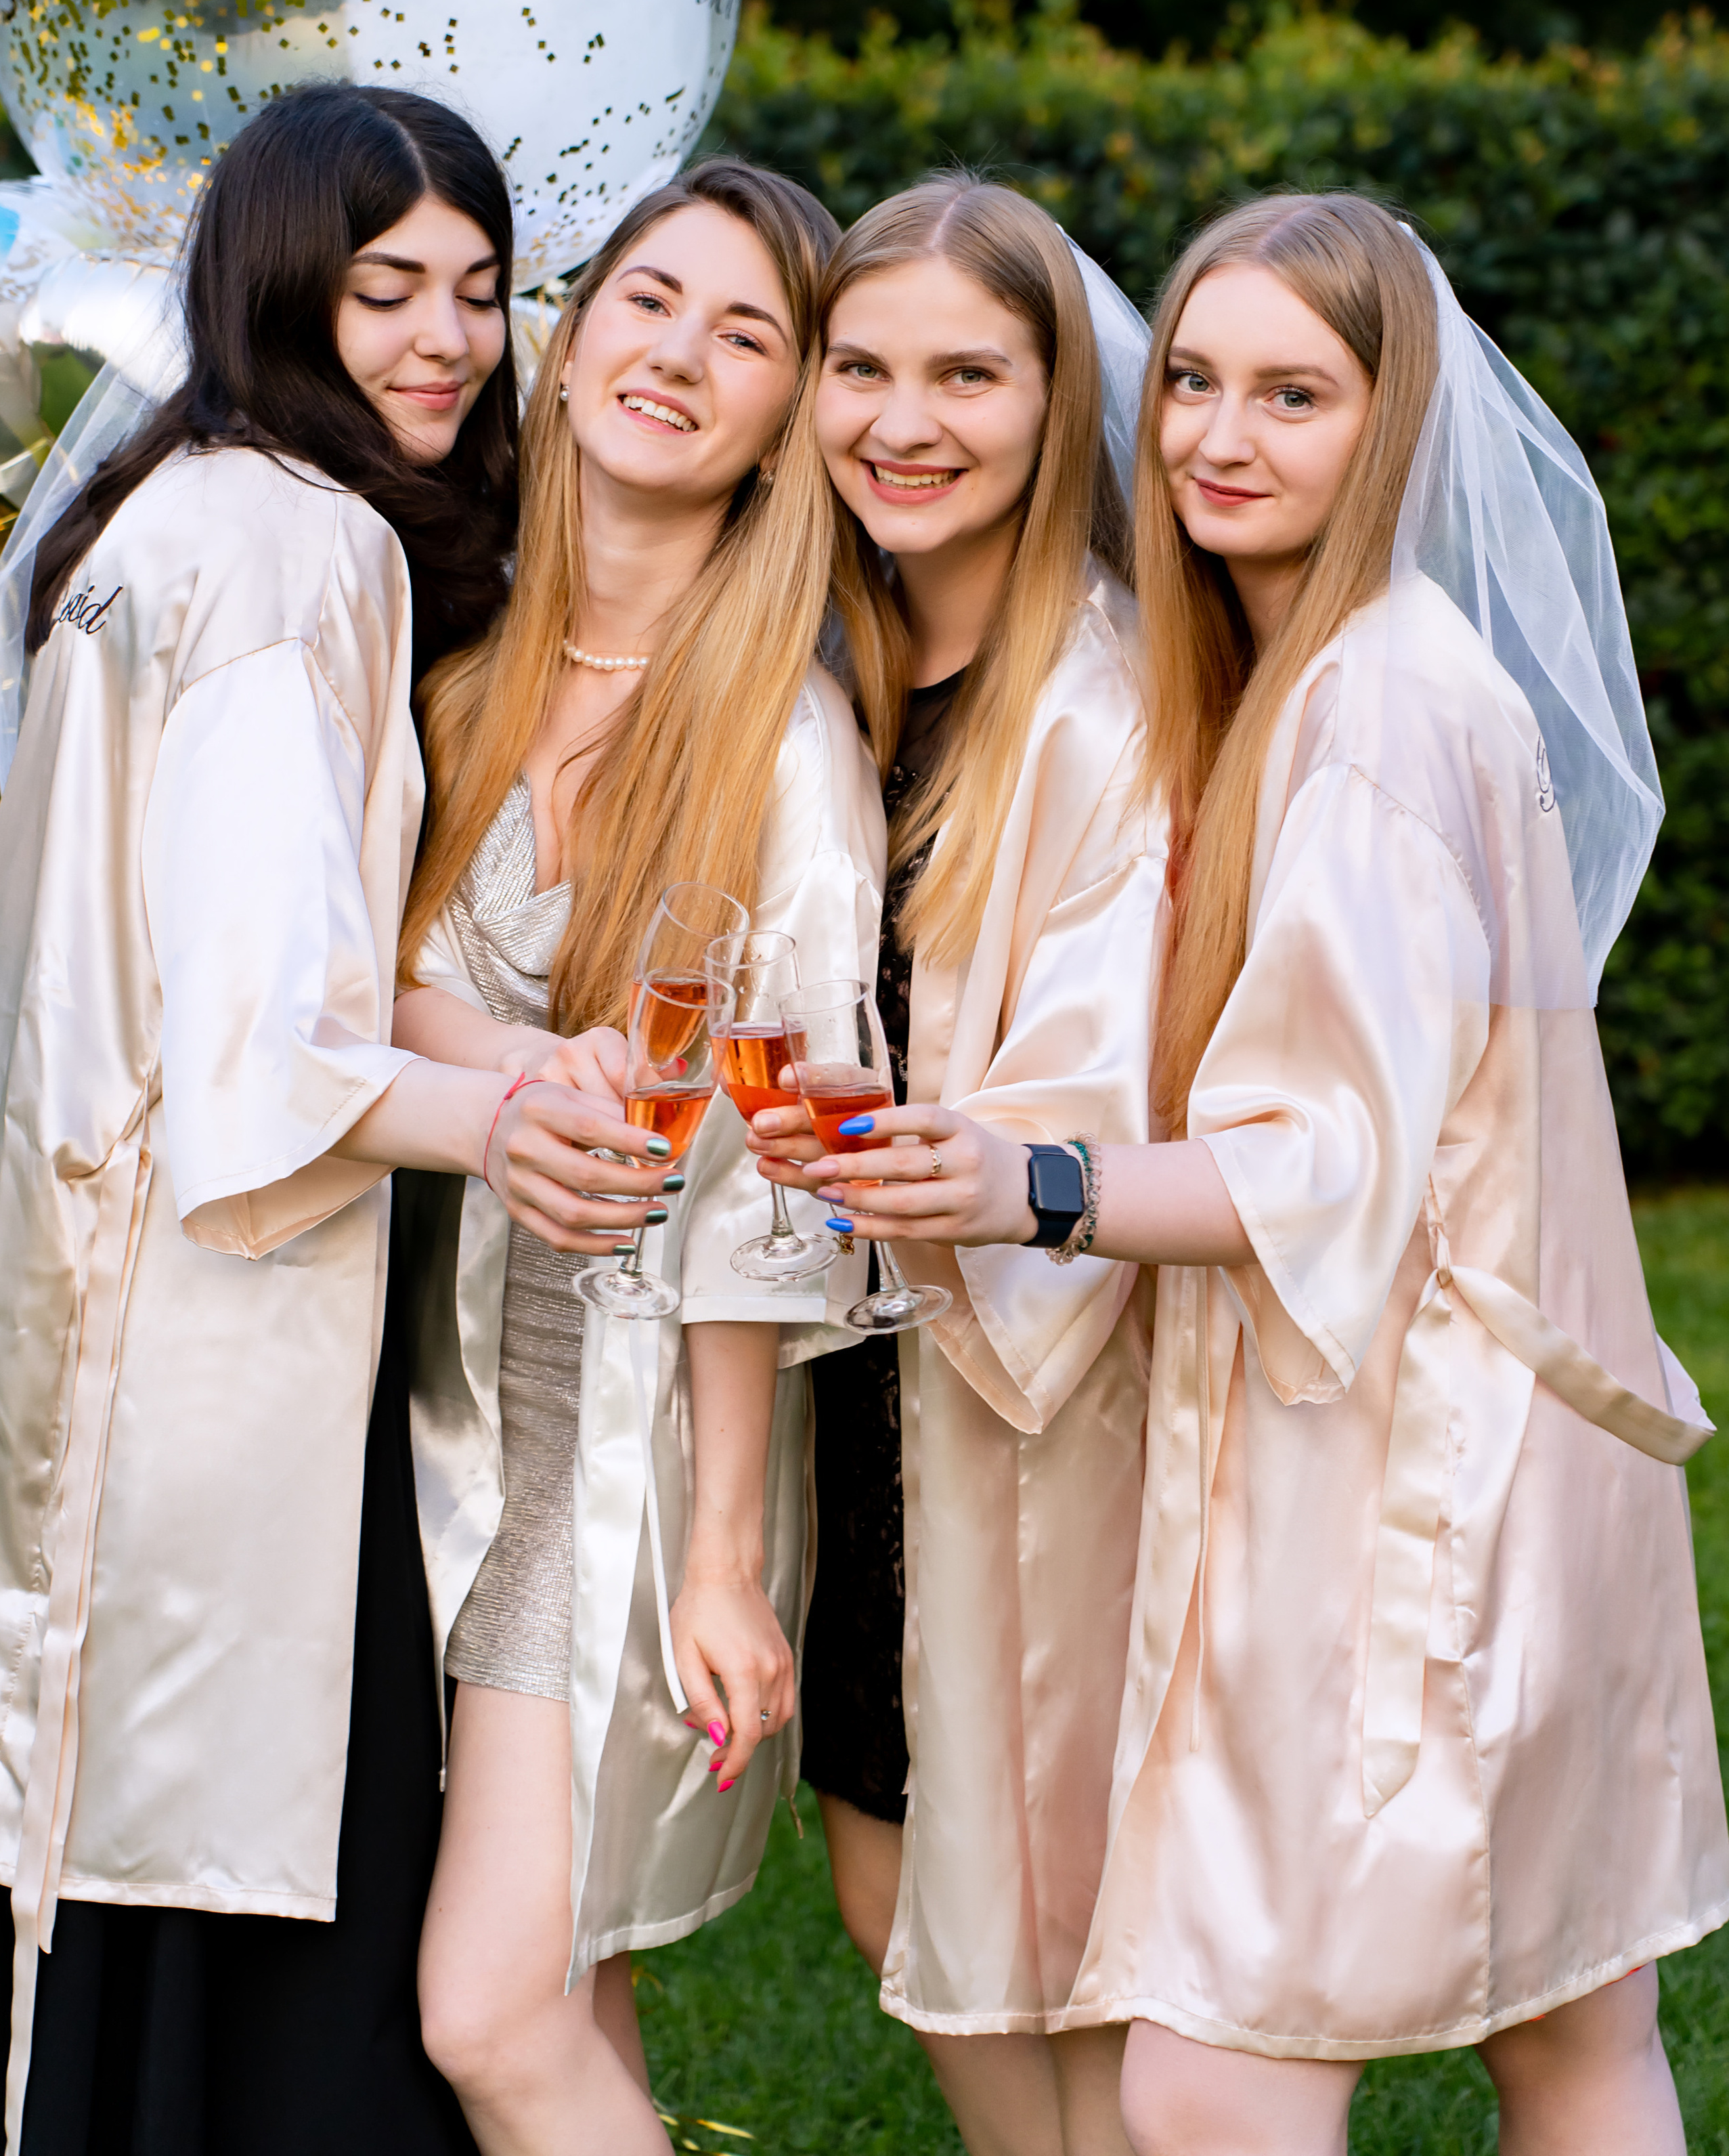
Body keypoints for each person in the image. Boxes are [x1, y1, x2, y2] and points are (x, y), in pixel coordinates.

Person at [804, 192, 1729, 2155]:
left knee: (1214, 2077)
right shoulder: (1342, 672)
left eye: (1294, 395)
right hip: (1520, 1448)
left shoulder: (1377, 712)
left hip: (1411, 1483)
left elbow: (1316, 1163)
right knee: (1572, 2032)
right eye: (1199, 383)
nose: (1220, 435)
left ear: (1391, 425)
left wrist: (1026, 1184)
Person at [0, 82, 667, 2156]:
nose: (449, 341)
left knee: (99, 1912)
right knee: (279, 1923)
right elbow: (255, 1041)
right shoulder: (310, 547)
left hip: (85, 1313)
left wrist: (499, 1054)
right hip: (232, 1354)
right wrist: (507, 1131)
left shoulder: (159, 519)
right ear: (280, 283)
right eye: (387, 290)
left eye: (481, 289)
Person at [393, 157, 884, 2155]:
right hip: (408, 1400)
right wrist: (516, 1062)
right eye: (653, 300)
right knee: (565, 1979)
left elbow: (792, 1175)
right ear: (573, 329)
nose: (680, 355)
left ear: (788, 420)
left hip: (616, 1439)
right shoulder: (448, 656)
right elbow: (359, 994)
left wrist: (729, 1554)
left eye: (748, 335)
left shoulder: (785, 748)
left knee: (488, 2014)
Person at [751, 174, 1164, 2156]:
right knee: (893, 1890)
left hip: (1040, 1382)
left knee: (1066, 1934)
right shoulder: (827, 657)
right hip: (866, 1374)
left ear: (1056, 393)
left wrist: (983, 1163)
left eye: (968, 376)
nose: (904, 420)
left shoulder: (1104, 702)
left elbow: (1135, 1088)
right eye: (863, 367)